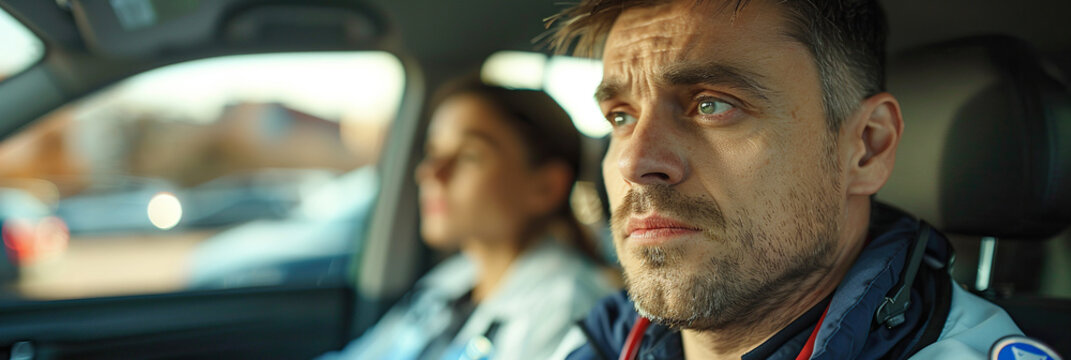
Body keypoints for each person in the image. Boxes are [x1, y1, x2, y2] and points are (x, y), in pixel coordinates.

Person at [542, 0, 1025, 359]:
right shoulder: (597, 340)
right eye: (621, 117)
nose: (633, 162)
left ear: (866, 147)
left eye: (712, 104)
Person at [319, 78, 616, 360]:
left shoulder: (566, 308)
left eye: (469, 155)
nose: (430, 172)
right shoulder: (454, 280)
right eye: (433, 152)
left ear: (546, 187)